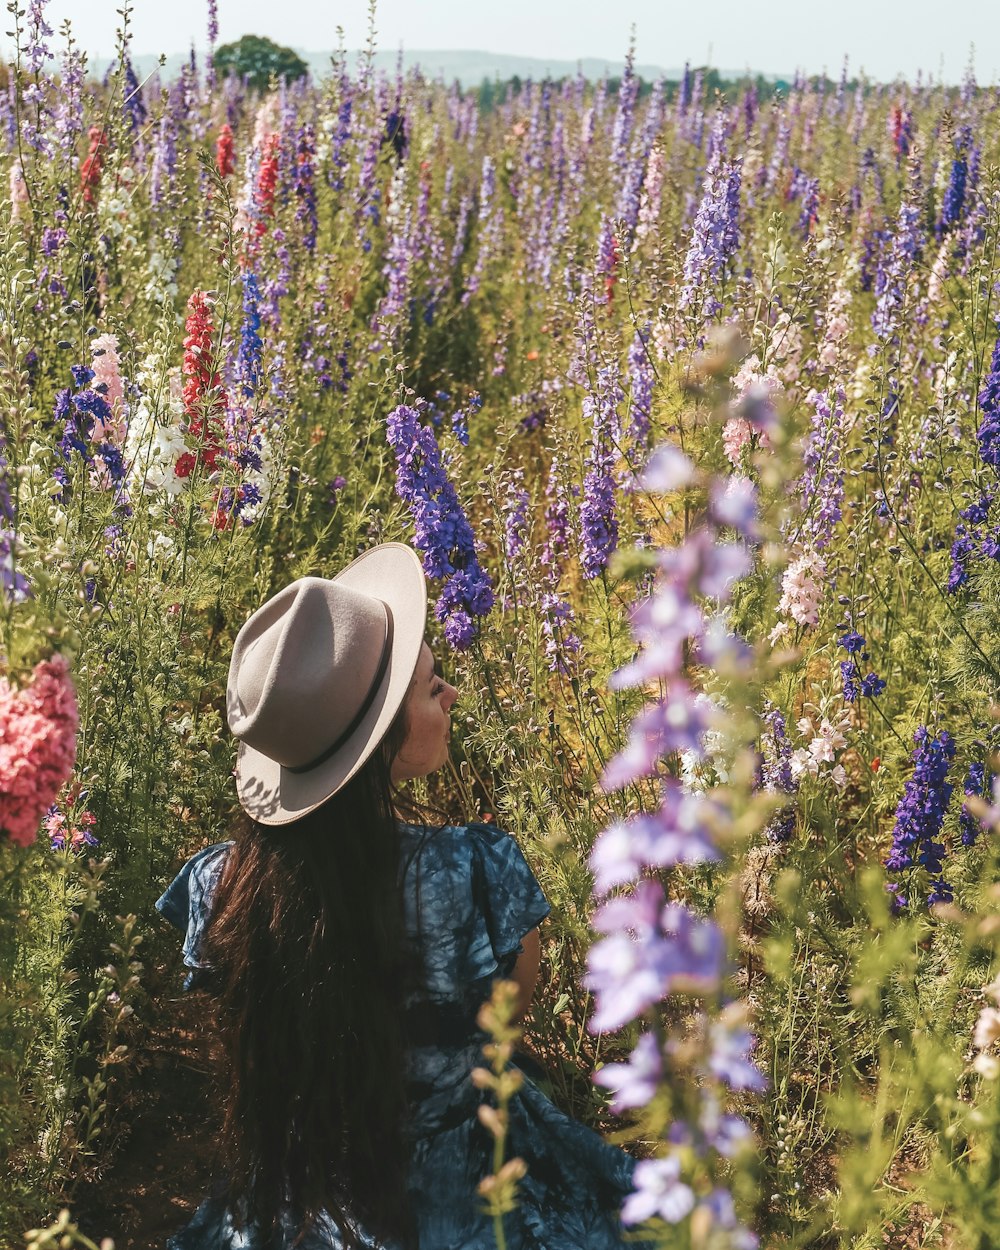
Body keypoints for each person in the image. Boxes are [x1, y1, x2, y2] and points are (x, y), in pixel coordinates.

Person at [156, 542, 651, 1249]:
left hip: (303, 1197)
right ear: (381, 741)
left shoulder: (223, 891)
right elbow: (506, 1016)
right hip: (461, 1185)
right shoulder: (476, 873)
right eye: (428, 688)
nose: (449, 692)